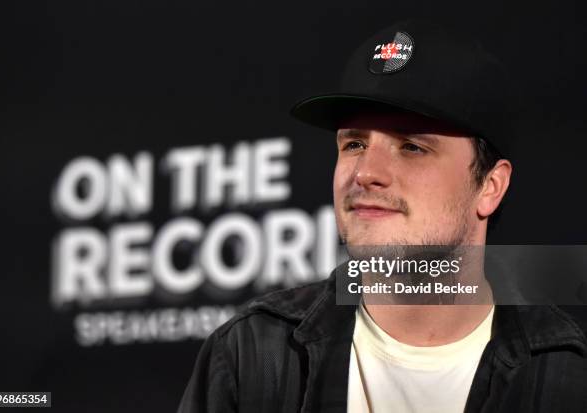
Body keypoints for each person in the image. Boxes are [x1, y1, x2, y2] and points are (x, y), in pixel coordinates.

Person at [178, 20, 587, 413]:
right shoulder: (252, 355)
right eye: (354, 144)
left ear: (490, 187)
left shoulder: (568, 374)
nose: (365, 173)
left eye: (412, 147)